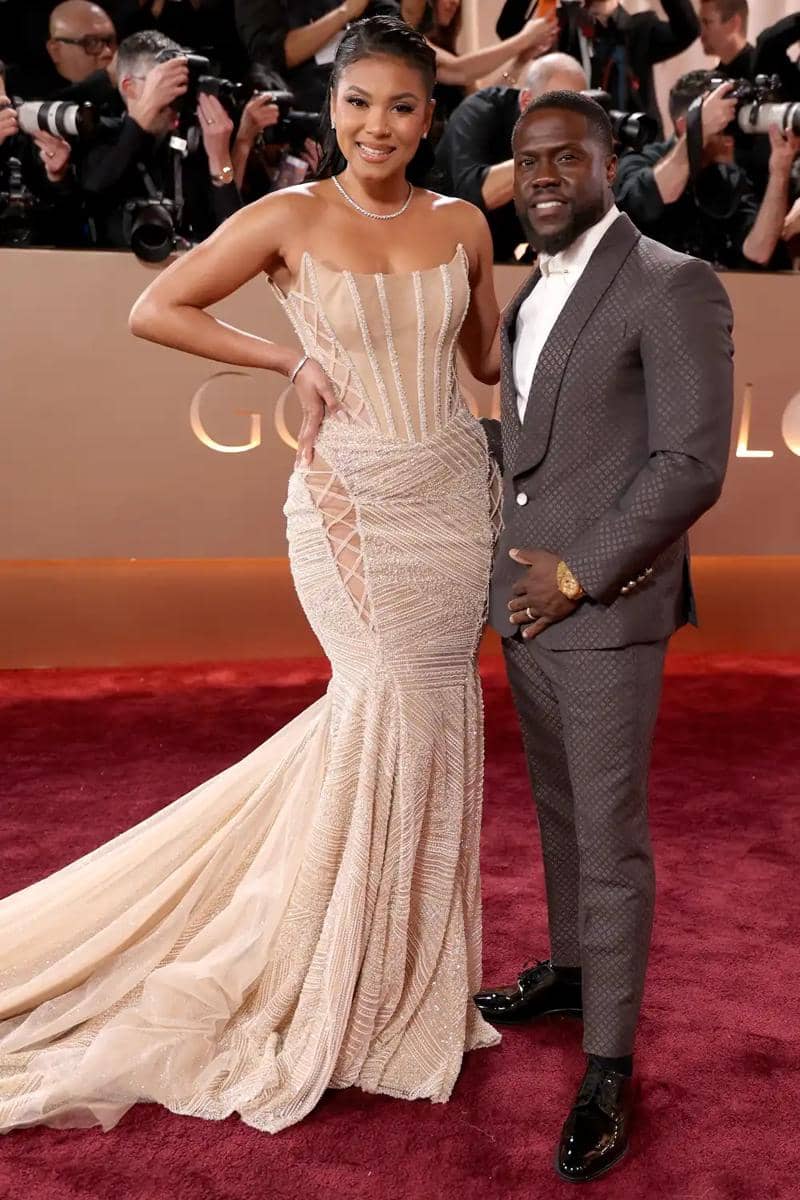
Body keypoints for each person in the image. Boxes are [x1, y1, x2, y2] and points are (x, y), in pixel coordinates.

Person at [0, 15, 505, 1136]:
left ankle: (402, 978)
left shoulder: (465, 220)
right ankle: (335, 978)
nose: (379, 125)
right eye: (360, 102)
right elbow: (155, 307)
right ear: (334, 106)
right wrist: (286, 356)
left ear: (431, 117)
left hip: (450, 494)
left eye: (404, 106)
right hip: (351, 505)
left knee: (432, 715)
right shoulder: (287, 214)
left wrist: (517, 306)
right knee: (378, 705)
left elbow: (477, 359)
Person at [473, 91, 733, 1182]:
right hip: (526, 606)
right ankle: (575, 971)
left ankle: (608, 1065)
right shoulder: (529, 295)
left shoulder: (671, 283)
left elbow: (688, 462)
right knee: (560, 808)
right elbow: (537, 448)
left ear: (605, 162)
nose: (541, 175)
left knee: (610, 838)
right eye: (525, 159)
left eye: (563, 157)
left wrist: (581, 573)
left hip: (601, 607)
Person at [615, 71, 800, 269]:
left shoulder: (729, 178)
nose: (729, 133)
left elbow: (758, 251)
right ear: (683, 126)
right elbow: (654, 195)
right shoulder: (640, 160)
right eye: (721, 124)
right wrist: (699, 128)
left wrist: (780, 169)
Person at [79, 31, 241, 249]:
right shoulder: (101, 135)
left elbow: (235, 236)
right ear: (130, 87)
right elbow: (90, 197)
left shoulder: (189, 143)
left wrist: (220, 159)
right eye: (165, 83)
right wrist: (142, 118)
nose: (176, 98)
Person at [435, 51, 587, 261]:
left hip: (502, 257)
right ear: (526, 101)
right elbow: (471, 195)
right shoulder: (480, 111)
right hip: (439, 248)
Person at [497, 0, 700, 137]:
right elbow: (508, 29)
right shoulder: (563, 27)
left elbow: (688, 30)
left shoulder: (640, 28)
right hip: (577, 143)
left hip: (635, 148)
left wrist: (610, 11)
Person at [400, 0, 558, 135]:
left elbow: (479, 105)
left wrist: (520, 62)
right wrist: (525, 37)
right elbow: (458, 70)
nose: (455, 2)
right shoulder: (407, 43)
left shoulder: (449, 52)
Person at [234, 0, 401, 114]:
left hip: (372, 86)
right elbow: (271, 54)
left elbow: (392, 18)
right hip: (308, 102)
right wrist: (344, 12)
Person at [4, 1, 118, 101]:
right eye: (92, 43)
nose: (108, 52)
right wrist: (104, 81)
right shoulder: (20, 90)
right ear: (55, 50)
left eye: (110, 41)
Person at [699, 0, 754, 79]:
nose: (701, 32)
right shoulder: (712, 79)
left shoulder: (761, 74)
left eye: (707, 22)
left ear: (734, 24)